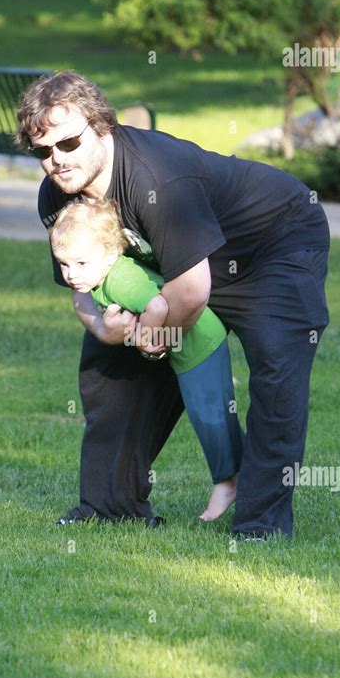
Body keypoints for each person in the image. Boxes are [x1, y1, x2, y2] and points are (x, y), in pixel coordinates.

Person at [15, 70, 330, 539]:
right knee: (109, 364)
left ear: (104, 127)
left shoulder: (155, 176)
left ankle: (260, 524)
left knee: (276, 360)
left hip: (273, 243)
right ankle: (108, 505)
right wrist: (107, 330)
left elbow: (190, 292)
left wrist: (154, 339)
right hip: (186, 268)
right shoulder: (59, 197)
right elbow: (82, 285)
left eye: (69, 143)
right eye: (43, 151)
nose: (57, 161)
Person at [49, 197, 245, 521]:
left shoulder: (120, 279)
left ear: (111, 253)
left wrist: (146, 339)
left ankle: (229, 481)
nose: (70, 275)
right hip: (186, 345)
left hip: (198, 343)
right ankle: (247, 475)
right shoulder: (97, 276)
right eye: (64, 264)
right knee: (209, 413)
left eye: (81, 264)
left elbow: (158, 307)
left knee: (209, 414)